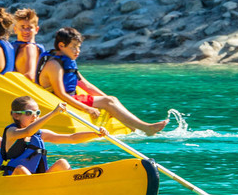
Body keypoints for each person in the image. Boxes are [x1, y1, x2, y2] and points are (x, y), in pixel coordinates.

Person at [38, 27, 168, 134]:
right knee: (108, 102)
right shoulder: (54, 65)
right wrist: (87, 108)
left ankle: (137, 128)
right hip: (60, 100)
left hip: (72, 96)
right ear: (61, 45)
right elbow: (60, 94)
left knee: (111, 99)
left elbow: (86, 85)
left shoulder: (67, 62)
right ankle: (146, 128)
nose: (78, 51)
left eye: (79, 47)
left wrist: (109, 101)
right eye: (74, 47)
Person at [0, 96, 108, 175]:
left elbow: (72, 138)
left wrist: (95, 134)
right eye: (29, 113)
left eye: (37, 113)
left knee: (62, 163)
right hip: (13, 179)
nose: (35, 117)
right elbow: (28, 132)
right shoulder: (12, 132)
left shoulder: (40, 135)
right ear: (16, 116)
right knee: (21, 169)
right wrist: (53, 113)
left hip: (35, 181)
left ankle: (74, 188)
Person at [10, 8, 46, 82]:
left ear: (36, 30)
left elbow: (30, 76)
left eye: (30, 27)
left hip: (23, 88)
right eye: (22, 27)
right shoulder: (17, 47)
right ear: (15, 29)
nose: (26, 31)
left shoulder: (30, 48)